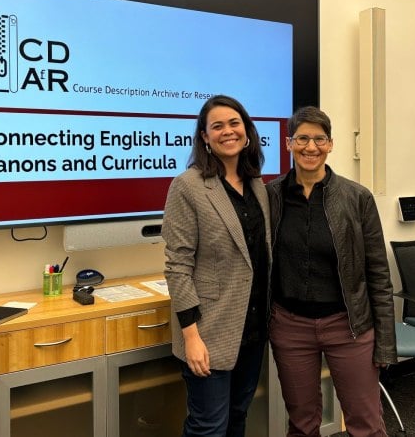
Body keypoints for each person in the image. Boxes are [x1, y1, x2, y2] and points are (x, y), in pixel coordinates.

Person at [266, 106, 397, 437]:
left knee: (365, 423)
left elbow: (378, 274)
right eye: (303, 138)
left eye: (319, 139)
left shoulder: (357, 198)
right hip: (290, 328)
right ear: (288, 144)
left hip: (349, 326)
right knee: (302, 422)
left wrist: (384, 343)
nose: (311, 147)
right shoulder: (270, 197)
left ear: (331, 144)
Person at [161, 95, 271, 437]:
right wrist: (190, 336)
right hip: (209, 331)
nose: (228, 131)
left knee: (238, 416)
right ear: (205, 137)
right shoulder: (188, 186)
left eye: (234, 123)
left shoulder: (256, 183)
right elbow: (177, 264)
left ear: (247, 131)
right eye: (217, 126)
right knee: (208, 426)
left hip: (252, 328)